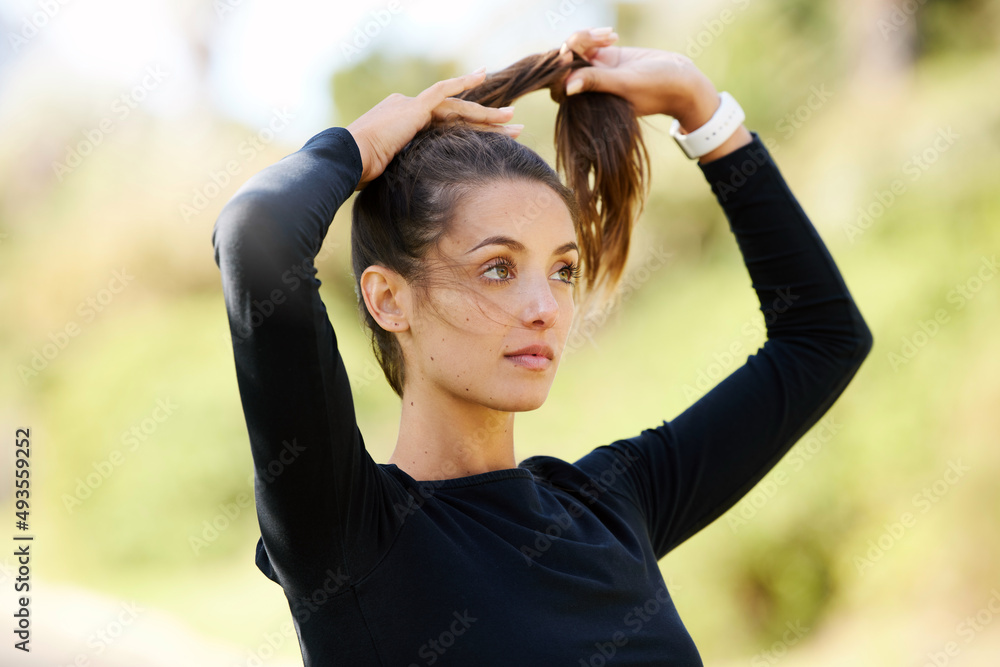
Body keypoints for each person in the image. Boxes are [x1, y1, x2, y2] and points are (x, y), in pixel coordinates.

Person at [211, 27, 872, 666]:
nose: (545, 309)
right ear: (388, 299)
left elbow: (822, 338)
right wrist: (360, 143)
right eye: (497, 267)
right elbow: (256, 234)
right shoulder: (347, 533)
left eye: (562, 270)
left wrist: (700, 109)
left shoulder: (612, 506)